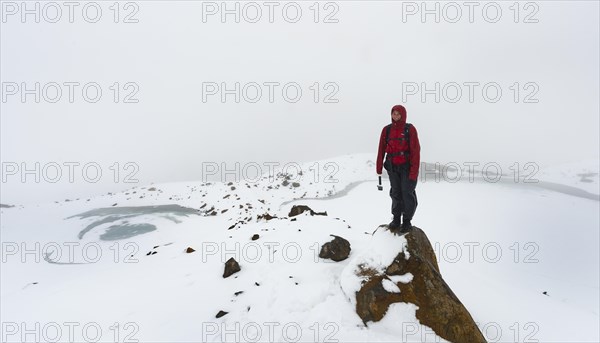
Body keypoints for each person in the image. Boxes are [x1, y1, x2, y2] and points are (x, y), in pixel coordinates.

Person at [376, 104, 421, 232]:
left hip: (406, 168)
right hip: (392, 167)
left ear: (403, 115)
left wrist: (414, 172)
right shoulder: (387, 130)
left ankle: (407, 221)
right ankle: (396, 219)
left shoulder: (409, 129)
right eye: (393, 113)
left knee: (407, 193)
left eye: (398, 114)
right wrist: (378, 167)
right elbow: (381, 149)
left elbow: (415, 151)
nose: (395, 116)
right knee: (396, 193)